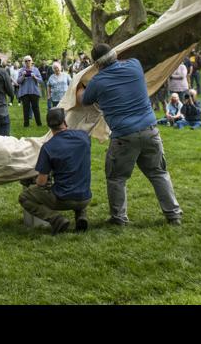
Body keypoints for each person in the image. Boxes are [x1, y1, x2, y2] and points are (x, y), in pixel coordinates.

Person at [78, 42, 182, 226]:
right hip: (150, 130)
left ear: (97, 64)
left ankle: (119, 218)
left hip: (124, 137)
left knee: (116, 178)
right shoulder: (135, 65)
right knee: (159, 173)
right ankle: (174, 215)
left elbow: (84, 100)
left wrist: (78, 85)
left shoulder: (97, 82)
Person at [19, 106, 92, 234]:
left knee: (24, 197)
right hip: (85, 197)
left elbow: (41, 183)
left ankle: (56, 219)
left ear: (49, 127)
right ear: (65, 122)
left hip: (63, 199)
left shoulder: (48, 148)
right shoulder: (84, 137)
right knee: (77, 178)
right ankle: (81, 216)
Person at [14, 56, 44, 128]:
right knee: (26, 108)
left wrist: (34, 77)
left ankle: (39, 123)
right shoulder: (21, 70)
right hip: (24, 92)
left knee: (35, 108)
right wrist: (23, 76)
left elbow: (41, 81)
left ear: (32, 61)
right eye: (26, 61)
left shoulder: (36, 70)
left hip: (34, 92)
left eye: (29, 60)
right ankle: (26, 124)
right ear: (24, 62)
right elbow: (18, 81)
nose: (28, 62)